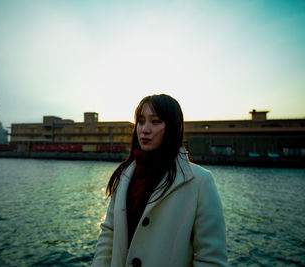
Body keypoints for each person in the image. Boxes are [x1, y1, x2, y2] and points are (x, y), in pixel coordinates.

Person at [93, 94, 227, 267]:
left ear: (172, 127)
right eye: (140, 121)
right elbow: (109, 233)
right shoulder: (124, 175)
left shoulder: (200, 182)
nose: (144, 129)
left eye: (155, 121)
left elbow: (210, 259)